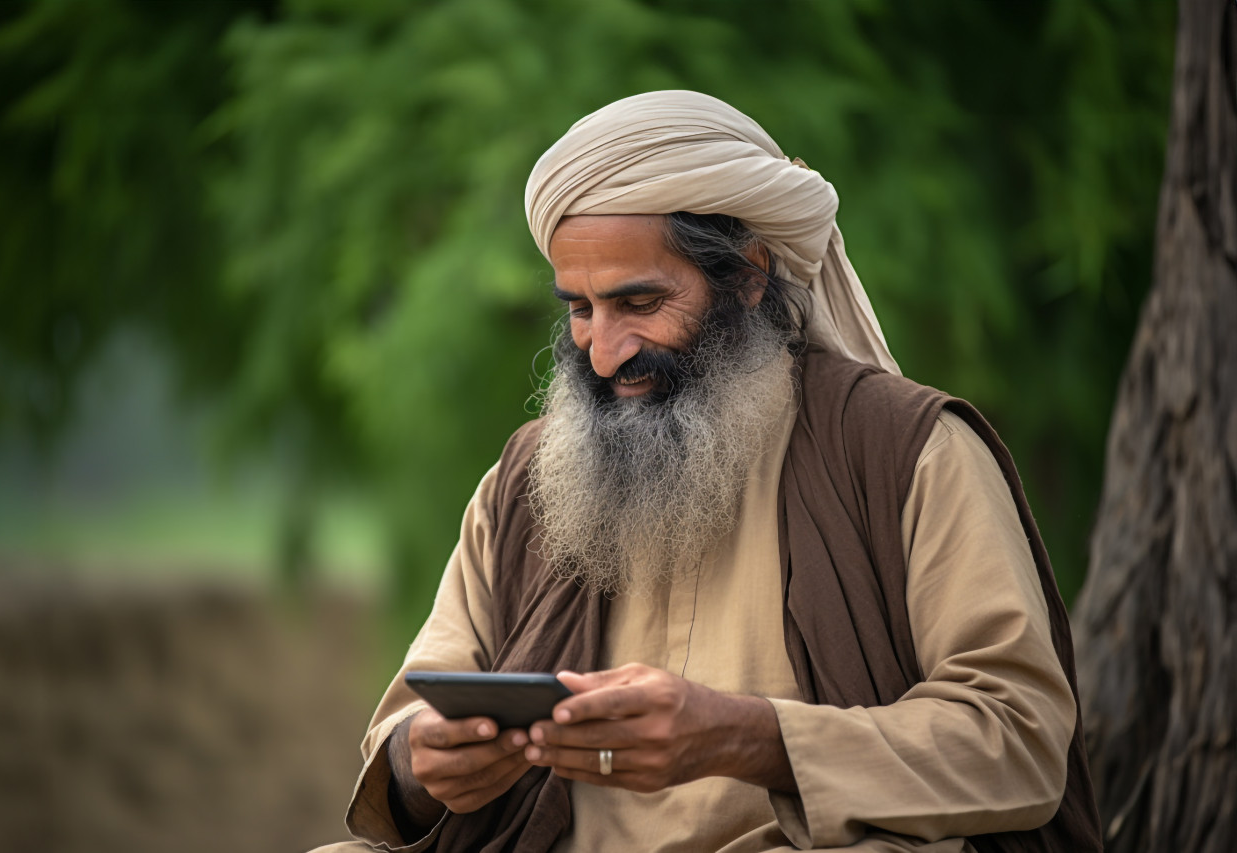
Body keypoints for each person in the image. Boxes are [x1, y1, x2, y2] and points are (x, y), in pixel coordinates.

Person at [312, 91, 1101, 852]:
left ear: (749, 275)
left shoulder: (905, 452)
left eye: (639, 304)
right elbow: (409, 725)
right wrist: (424, 761)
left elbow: (1020, 736)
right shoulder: (525, 480)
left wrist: (748, 737)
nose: (604, 352)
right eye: (581, 309)